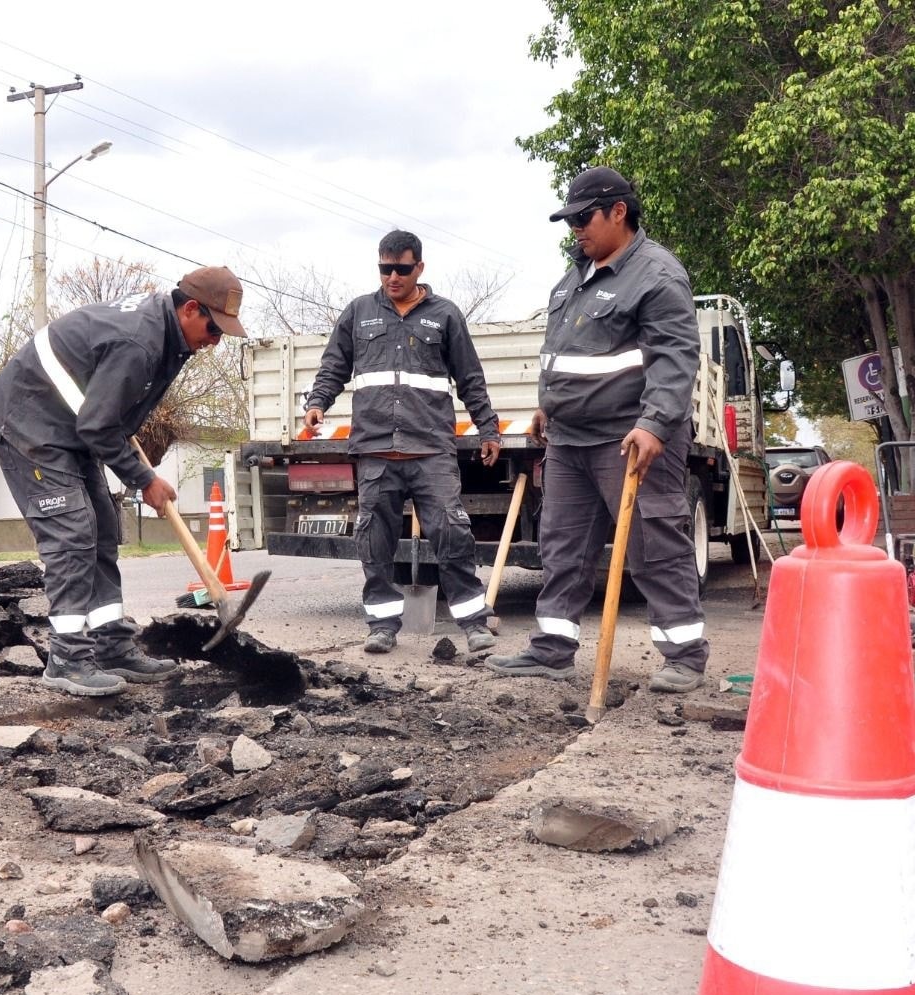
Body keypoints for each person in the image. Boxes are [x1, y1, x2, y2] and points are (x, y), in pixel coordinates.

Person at [487, 167, 709, 692]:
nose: (575, 230)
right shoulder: (574, 278)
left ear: (618, 212)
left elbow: (676, 358)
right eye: (569, 221)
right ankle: (552, 649)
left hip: (629, 439)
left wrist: (654, 424)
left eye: (582, 218)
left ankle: (684, 655)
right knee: (561, 545)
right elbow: (567, 355)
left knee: (654, 545)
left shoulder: (657, 274)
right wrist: (549, 406)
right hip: (568, 438)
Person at [0, 266, 248, 697]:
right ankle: (67, 657)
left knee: (103, 529)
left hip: (69, 428)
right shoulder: (139, 341)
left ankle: (112, 647)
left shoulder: (167, 335)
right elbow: (98, 425)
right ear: (191, 309)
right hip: (28, 424)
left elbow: (106, 414)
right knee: (72, 533)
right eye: (214, 329)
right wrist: (145, 480)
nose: (215, 341)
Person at [303, 230, 501, 655]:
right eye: (385, 268)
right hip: (375, 448)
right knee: (374, 540)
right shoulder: (359, 312)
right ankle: (382, 625)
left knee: (451, 534)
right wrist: (318, 402)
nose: (392, 276)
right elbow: (334, 365)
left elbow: (470, 378)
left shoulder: (445, 315)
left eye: (402, 269)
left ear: (419, 269)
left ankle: (473, 623)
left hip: (430, 447)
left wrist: (488, 428)